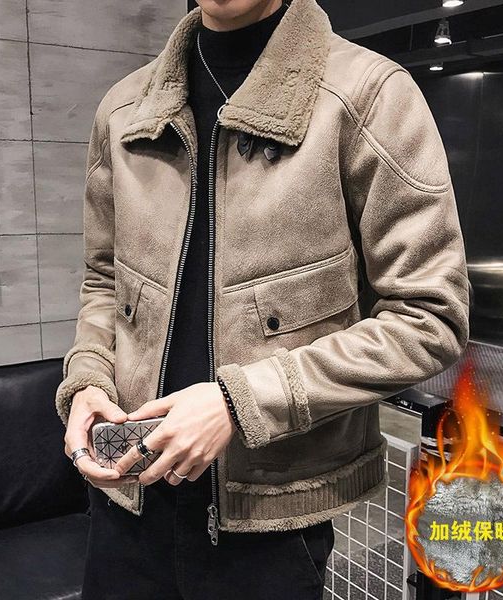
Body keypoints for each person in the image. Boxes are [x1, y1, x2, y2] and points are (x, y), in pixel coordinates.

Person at [54, 0, 471, 598]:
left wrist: (240, 402)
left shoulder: (368, 96)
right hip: (125, 498)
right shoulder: (124, 110)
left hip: (268, 520)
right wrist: (88, 379)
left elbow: (429, 317)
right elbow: (104, 281)